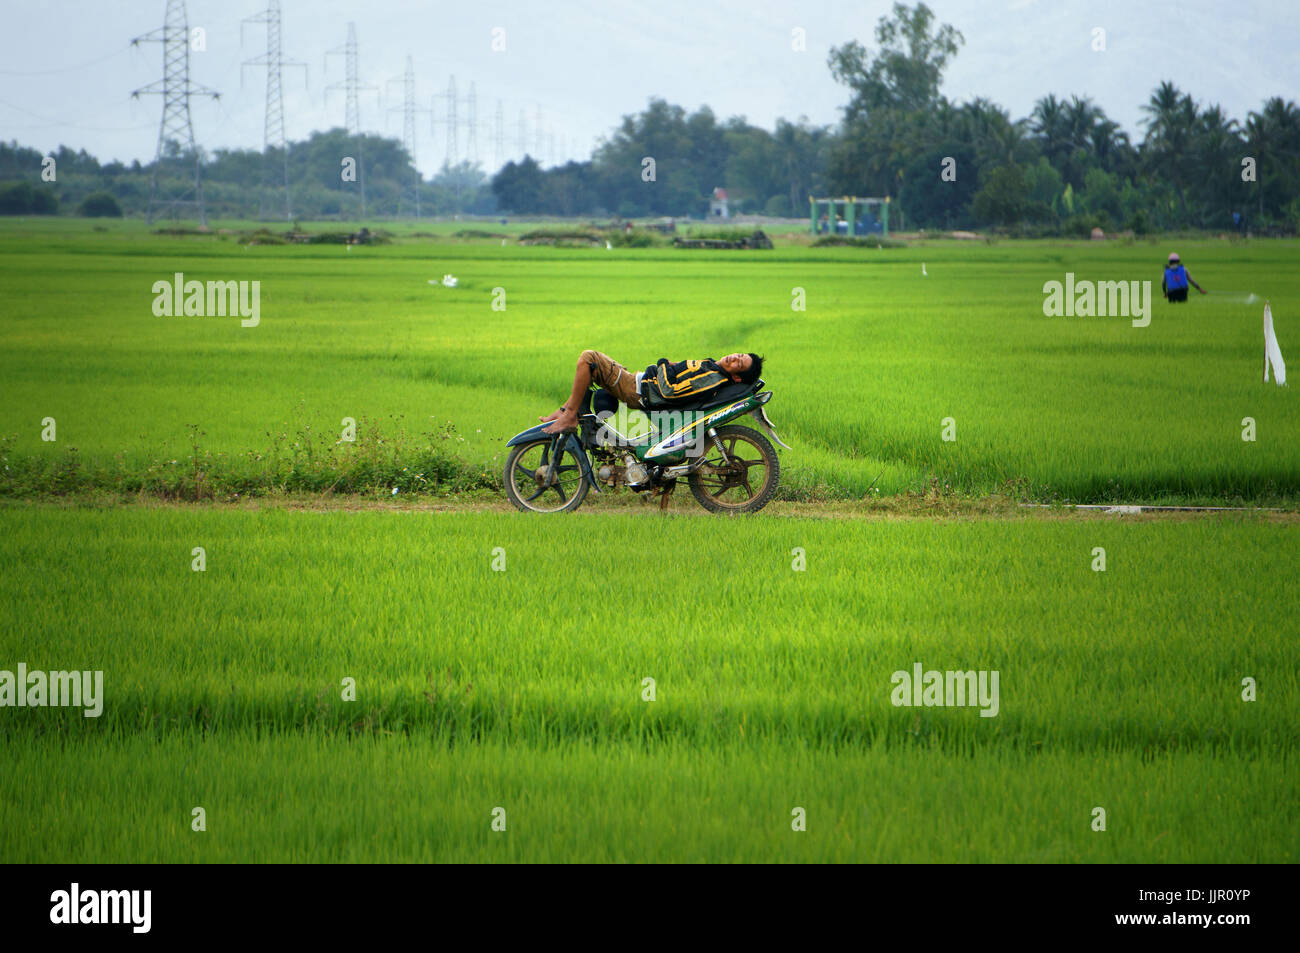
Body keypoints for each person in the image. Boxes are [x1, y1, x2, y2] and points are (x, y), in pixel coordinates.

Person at [541, 351, 763, 434]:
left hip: (637, 390)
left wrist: (663, 363)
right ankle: (565, 410)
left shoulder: (712, 377)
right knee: (594, 370)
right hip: (638, 382)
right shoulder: (713, 367)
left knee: (588, 359)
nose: (734, 358)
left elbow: (670, 391)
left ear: (736, 377)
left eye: (739, 364)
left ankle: (569, 416)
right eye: (738, 355)